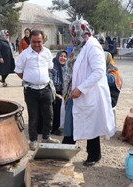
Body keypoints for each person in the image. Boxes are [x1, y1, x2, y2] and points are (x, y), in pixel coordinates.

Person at [63, 18, 116, 167]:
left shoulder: (93, 46)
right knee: (71, 122)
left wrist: (81, 89)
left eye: (74, 33)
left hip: (88, 93)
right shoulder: (80, 46)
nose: (73, 36)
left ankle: (93, 154)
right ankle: (64, 152)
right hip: (73, 92)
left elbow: (99, 71)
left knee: (90, 125)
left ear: (80, 31)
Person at [15, 29, 61, 151]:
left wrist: (41, 78)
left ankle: (46, 136)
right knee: (33, 116)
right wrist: (29, 79)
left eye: (39, 42)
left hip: (46, 89)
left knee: (48, 115)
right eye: (34, 41)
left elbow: (50, 67)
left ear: (43, 40)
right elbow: (18, 71)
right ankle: (33, 140)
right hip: (31, 90)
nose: (36, 44)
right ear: (30, 40)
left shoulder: (47, 52)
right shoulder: (24, 54)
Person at [49, 50, 67, 135]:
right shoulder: (52, 67)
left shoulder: (67, 67)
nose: (63, 58)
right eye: (61, 56)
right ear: (57, 56)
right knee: (54, 108)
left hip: (63, 91)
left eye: (65, 56)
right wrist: (55, 94)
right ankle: (52, 128)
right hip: (52, 91)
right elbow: (49, 81)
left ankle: (58, 127)